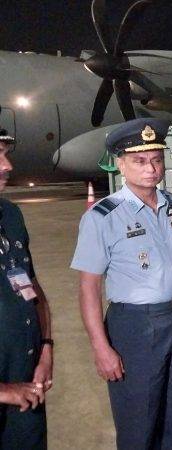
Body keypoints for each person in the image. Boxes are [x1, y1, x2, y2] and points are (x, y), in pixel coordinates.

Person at [71, 118, 172, 450]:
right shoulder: (103, 217)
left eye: (156, 159)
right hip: (135, 326)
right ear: (120, 164)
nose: (151, 169)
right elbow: (88, 287)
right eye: (140, 161)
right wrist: (101, 347)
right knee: (139, 422)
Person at [0, 128, 53, 449]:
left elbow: (30, 286)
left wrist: (46, 348)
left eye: (5, 155)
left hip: (26, 380)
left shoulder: (10, 214)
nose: (7, 166)